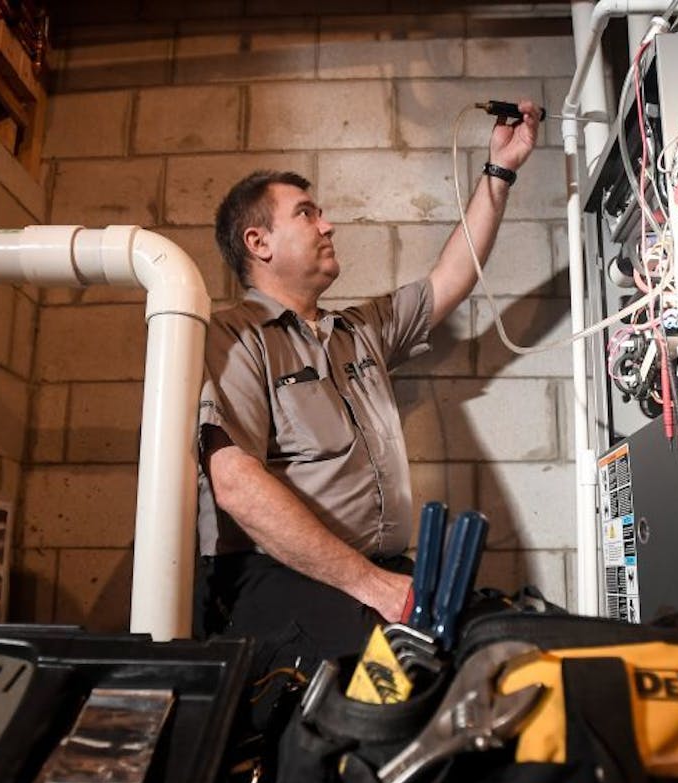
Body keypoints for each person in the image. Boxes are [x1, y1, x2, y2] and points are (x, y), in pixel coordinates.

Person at [196, 99, 541, 671]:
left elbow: (450, 278)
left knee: (498, 641)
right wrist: (375, 588)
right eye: (306, 214)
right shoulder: (234, 336)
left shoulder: (359, 331)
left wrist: (500, 172)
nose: (328, 224)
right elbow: (234, 485)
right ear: (259, 243)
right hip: (275, 580)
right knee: (406, 681)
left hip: (371, 573)